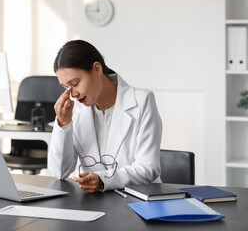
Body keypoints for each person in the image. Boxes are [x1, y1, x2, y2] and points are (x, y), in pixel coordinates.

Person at [48, 40, 162, 193]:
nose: (73, 94)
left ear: (97, 69)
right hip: (94, 202)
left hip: (139, 198)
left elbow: (148, 167)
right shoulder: (73, 110)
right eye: (66, 88)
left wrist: (103, 180)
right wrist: (63, 124)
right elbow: (60, 172)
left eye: (75, 83)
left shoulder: (142, 101)